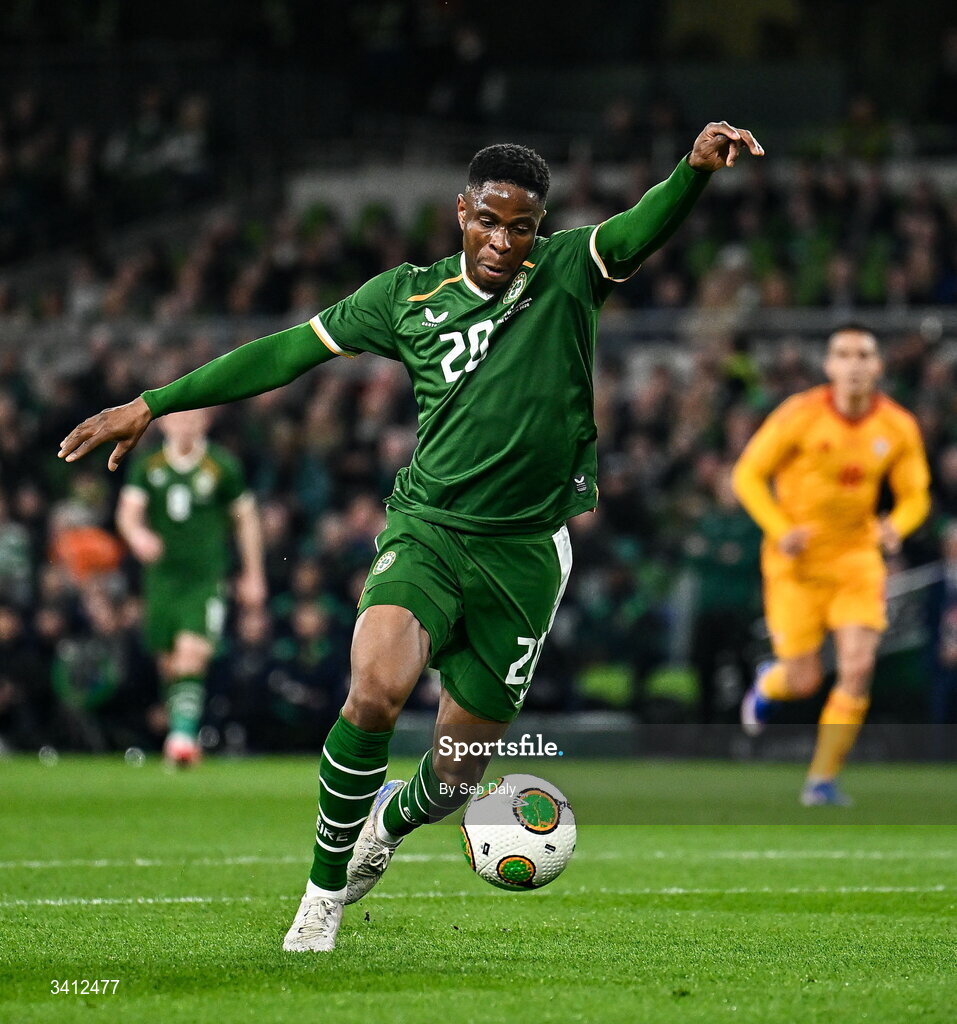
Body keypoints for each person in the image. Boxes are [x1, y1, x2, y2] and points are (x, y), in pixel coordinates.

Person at [59, 121, 763, 951]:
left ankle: (386, 827)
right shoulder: (404, 297)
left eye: (521, 226)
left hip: (526, 553)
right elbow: (287, 352)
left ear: (540, 227)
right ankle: (319, 900)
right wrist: (156, 401)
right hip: (427, 529)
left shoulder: (571, 269)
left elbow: (641, 226)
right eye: (488, 220)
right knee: (373, 688)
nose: (502, 240)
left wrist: (690, 172)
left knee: (458, 774)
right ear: (460, 210)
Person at [734, 325, 931, 806]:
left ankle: (821, 780)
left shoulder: (898, 426)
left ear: (878, 366)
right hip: (795, 563)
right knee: (803, 681)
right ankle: (769, 682)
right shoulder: (799, 415)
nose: (855, 363)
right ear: (829, 367)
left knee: (858, 667)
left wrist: (896, 527)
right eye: (844, 354)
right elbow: (748, 476)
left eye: (864, 354)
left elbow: (915, 496)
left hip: (857, 559)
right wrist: (781, 530)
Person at [115, 409, 266, 765]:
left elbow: (245, 520)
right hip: (162, 578)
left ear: (205, 423)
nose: (185, 426)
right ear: (164, 423)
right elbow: (128, 512)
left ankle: (181, 739)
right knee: (169, 663)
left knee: (192, 652)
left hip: (206, 577)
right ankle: (180, 733)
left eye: (192, 419)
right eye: (178, 419)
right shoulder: (149, 465)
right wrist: (137, 535)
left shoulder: (221, 466)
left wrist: (253, 572)